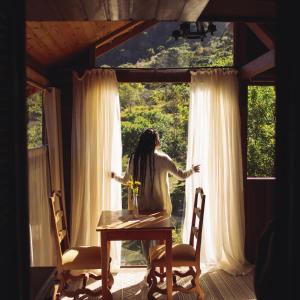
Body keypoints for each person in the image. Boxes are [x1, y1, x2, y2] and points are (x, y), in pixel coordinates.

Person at [112, 128, 200, 266]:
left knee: (145, 239)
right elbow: (181, 175)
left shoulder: (134, 158)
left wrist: (114, 177)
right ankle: (159, 268)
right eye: (158, 138)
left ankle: (150, 266)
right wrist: (192, 171)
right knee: (161, 239)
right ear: (154, 142)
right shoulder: (163, 158)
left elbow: (125, 180)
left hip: (140, 208)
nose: (159, 140)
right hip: (160, 208)